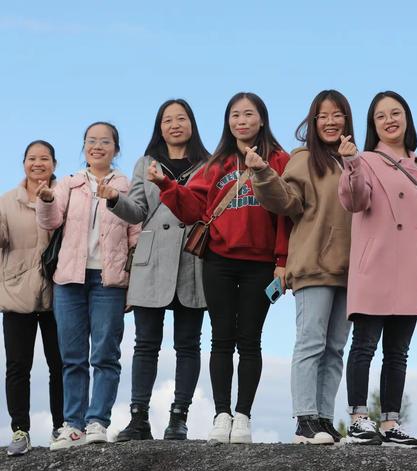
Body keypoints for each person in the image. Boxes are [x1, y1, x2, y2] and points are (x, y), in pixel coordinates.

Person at [147, 92, 290, 443]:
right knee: (221, 339)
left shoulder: (280, 159)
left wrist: (283, 261)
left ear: (262, 118)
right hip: (219, 261)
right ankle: (221, 414)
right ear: (228, 122)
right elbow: (193, 208)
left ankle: (243, 416)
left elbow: (289, 213)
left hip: (261, 264)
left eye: (248, 114)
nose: (241, 121)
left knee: (250, 341)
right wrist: (167, 185)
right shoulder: (216, 164)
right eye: (235, 115)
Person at [338, 91, 417, 449]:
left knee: (398, 352)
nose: (389, 120)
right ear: (373, 125)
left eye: (395, 112)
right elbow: (355, 201)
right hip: (375, 266)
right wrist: (351, 164)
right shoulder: (365, 160)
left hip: (412, 272)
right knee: (365, 344)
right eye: (380, 116)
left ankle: (390, 423)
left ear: (406, 118)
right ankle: (357, 418)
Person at [97, 99, 209, 441]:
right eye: (167, 120)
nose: (175, 125)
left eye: (181, 118)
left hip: (192, 261)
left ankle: (179, 418)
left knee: (188, 344)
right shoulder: (145, 163)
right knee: (145, 344)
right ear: (159, 127)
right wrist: (114, 199)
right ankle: (138, 417)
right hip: (151, 262)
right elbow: (138, 211)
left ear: (192, 123)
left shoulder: (207, 164)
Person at [247, 90, 353, 445]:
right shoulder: (303, 159)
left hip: (351, 270)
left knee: (336, 347)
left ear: (347, 120)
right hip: (313, 265)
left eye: (337, 114)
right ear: (312, 121)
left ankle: (324, 417)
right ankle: (304, 420)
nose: (330, 121)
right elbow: (285, 201)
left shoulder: (355, 160)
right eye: (323, 116)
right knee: (311, 342)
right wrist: (262, 173)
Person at [36, 122, 140, 450]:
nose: (97, 146)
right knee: (72, 357)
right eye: (91, 141)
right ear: (83, 147)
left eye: (105, 141)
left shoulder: (126, 184)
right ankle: (73, 424)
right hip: (70, 280)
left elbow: (135, 235)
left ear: (116, 149)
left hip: (109, 281)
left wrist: (133, 283)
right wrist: (47, 200)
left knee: (106, 355)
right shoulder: (69, 182)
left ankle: (98, 421)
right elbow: (50, 222)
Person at [0, 141, 63, 456]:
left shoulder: (65, 196)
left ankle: (61, 427)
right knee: (17, 366)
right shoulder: (6, 202)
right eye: (32, 158)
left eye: (45, 158)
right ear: (23, 162)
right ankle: (20, 429)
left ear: (55, 163)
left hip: (59, 292)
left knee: (61, 364)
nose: (38, 163)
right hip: (17, 292)